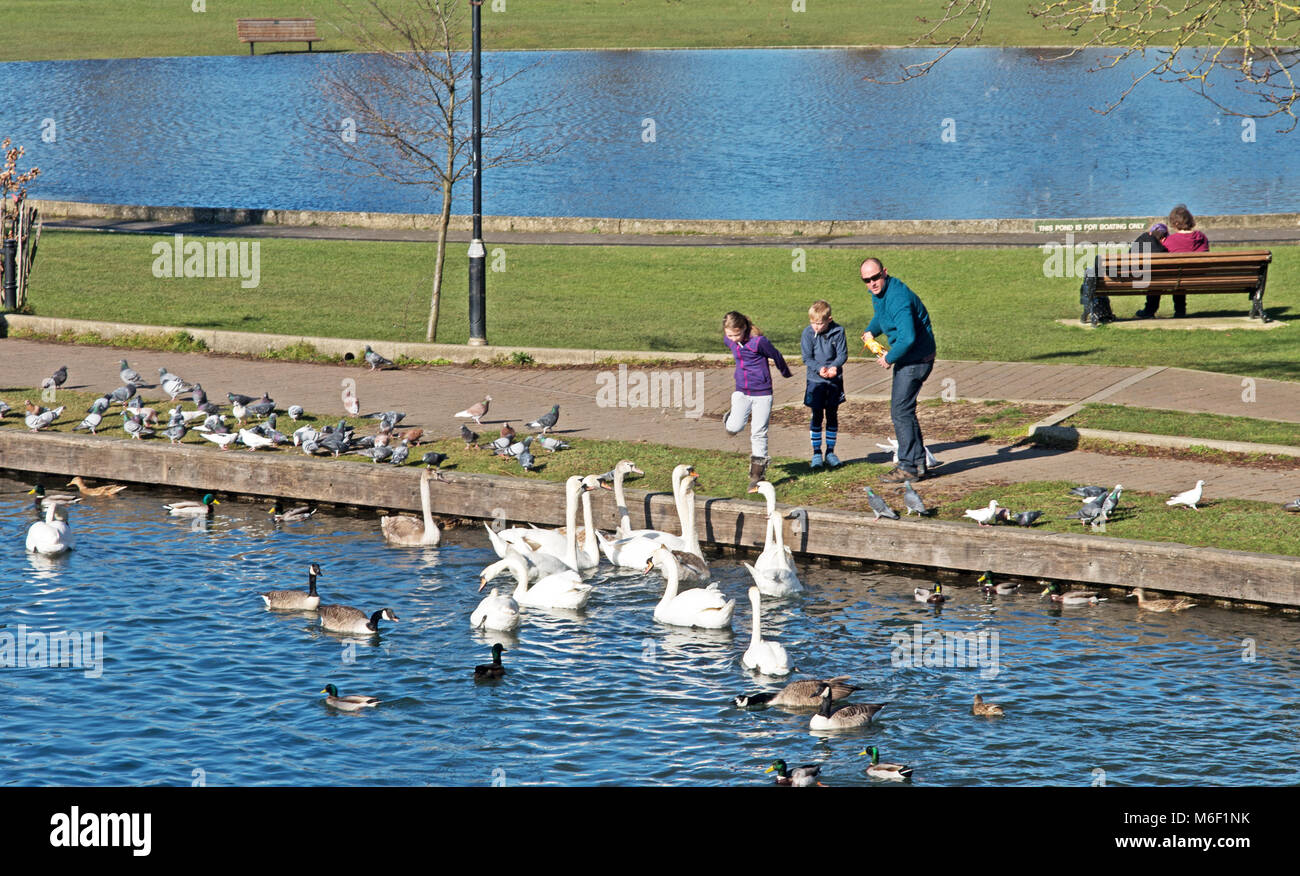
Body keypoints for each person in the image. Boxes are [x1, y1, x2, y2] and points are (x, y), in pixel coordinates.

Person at [860, 257, 936, 482]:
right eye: (867, 280)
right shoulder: (881, 294)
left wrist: (889, 357)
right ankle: (919, 463)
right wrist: (871, 331)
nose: (872, 283)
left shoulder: (898, 298)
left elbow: (908, 337)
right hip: (912, 358)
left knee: (900, 412)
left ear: (884, 272)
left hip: (916, 360)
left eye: (875, 277)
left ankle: (907, 467)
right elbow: (882, 317)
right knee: (905, 410)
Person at [723, 310, 792, 486]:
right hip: (741, 392)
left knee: (759, 432)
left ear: (744, 328)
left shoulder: (759, 342)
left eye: (736, 334)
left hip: (762, 393)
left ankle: (757, 475)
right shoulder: (730, 341)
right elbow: (732, 343)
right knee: (734, 427)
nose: (733, 338)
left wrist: (785, 372)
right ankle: (730, 418)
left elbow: (776, 355)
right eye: (729, 335)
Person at [800, 300, 847, 469]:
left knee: (832, 415)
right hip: (815, 381)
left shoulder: (839, 331)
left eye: (819, 323)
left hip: (834, 381)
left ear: (829, 320)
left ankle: (831, 452)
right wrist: (820, 369)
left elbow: (842, 354)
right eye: (813, 323)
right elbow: (807, 358)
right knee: (817, 416)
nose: (816, 327)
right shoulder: (807, 333)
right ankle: (816, 453)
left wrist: (834, 366)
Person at [1138, 205, 1208, 318]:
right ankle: (1180, 311)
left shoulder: (1170, 241)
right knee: (1179, 275)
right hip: (1198, 274)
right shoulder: (1202, 237)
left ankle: (1149, 311)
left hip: (1177, 275)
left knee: (1158, 277)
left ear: (1175, 223)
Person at [1129, 222, 1169, 319]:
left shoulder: (1141, 240)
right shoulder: (1162, 250)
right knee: (1156, 279)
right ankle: (1149, 311)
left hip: (1131, 279)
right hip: (1153, 279)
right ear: (1163, 238)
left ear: (1151, 233)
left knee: (1154, 278)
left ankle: (1148, 311)